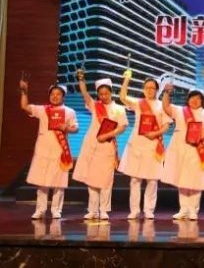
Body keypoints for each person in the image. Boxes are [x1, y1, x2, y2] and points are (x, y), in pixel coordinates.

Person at [19, 78, 79, 219]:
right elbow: (24, 106)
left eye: (58, 94)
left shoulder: (69, 111)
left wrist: (66, 128)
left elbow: (76, 128)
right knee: (42, 182)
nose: (55, 96)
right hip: (43, 150)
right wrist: (24, 92)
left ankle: (56, 210)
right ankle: (40, 210)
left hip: (60, 151)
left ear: (63, 96)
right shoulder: (43, 110)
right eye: (52, 94)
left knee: (59, 183)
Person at [72, 71, 128, 220]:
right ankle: (93, 210)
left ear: (111, 92)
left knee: (106, 180)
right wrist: (81, 79)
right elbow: (85, 94)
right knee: (91, 180)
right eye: (101, 94)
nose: (103, 96)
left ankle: (103, 210)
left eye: (106, 93)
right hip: (91, 146)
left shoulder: (119, 109)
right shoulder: (95, 106)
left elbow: (123, 127)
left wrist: (108, 135)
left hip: (107, 146)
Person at [118, 71, 170, 220]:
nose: (149, 90)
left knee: (152, 180)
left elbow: (166, 125)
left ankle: (148, 210)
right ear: (143, 89)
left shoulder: (162, 105)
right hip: (137, 143)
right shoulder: (138, 103)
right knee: (135, 179)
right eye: (147, 87)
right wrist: (126, 79)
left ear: (157, 90)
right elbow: (122, 97)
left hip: (154, 144)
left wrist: (155, 134)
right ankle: (134, 210)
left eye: (152, 88)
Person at [161, 83, 204, 220]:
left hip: (197, 151)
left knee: (195, 181)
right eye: (192, 97)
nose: (195, 100)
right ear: (188, 99)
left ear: (202, 100)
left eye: (198, 98)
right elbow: (166, 107)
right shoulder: (180, 110)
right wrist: (166, 93)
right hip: (180, 151)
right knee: (182, 181)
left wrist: (199, 136)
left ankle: (193, 210)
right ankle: (183, 209)